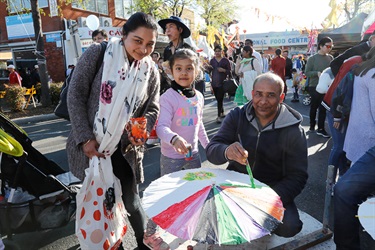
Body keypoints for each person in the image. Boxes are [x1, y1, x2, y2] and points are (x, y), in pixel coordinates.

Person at [66, 12, 164, 250]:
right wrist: (85, 138)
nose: (143, 49)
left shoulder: (150, 70)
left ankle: (145, 245)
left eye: (150, 44)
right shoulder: (98, 54)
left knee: (131, 202)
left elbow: (152, 107)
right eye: (137, 41)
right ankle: (113, 246)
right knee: (102, 202)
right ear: (123, 35)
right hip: (92, 148)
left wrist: (142, 129)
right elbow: (75, 94)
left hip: (125, 149)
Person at [206, 72, 308, 238]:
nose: (263, 101)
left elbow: (298, 176)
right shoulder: (237, 116)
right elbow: (212, 149)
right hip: (235, 184)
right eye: (259, 94)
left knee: (290, 226)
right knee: (209, 215)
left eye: (271, 95)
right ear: (252, 94)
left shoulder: (294, 130)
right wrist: (227, 151)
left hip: (272, 189)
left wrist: (265, 198)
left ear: (281, 97)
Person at [334, 47, 375, 250]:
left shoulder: (362, 69)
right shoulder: (370, 72)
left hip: (358, 142)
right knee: (345, 190)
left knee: (345, 190)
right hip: (368, 144)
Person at [156, 48, 209, 175]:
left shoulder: (199, 96)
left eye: (189, 68)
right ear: (171, 71)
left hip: (193, 155)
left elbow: (198, 124)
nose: (184, 73)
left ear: (197, 72)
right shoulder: (168, 98)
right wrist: (174, 139)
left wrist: (209, 146)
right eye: (179, 68)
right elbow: (161, 127)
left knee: (194, 191)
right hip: (171, 157)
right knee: (171, 192)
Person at [305, 36, 333, 137]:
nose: (329, 48)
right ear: (321, 46)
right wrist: (316, 73)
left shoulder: (330, 58)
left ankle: (320, 129)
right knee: (314, 107)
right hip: (314, 86)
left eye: (331, 46)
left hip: (326, 87)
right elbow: (306, 73)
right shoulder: (312, 58)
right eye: (328, 46)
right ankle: (312, 125)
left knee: (323, 108)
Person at [208, 45, 231, 123]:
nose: (217, 53)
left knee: (220, 99)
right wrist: (206, 68)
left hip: (222, 83)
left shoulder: (225, 61)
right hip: (214, 83)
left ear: (222, 52)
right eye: (216, 51)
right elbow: (209, 71)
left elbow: (230, 71)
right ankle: (222, 112)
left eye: (218, 51)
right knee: (218, 99)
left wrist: (224, 70)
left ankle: (218, 116)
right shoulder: (212, 61)